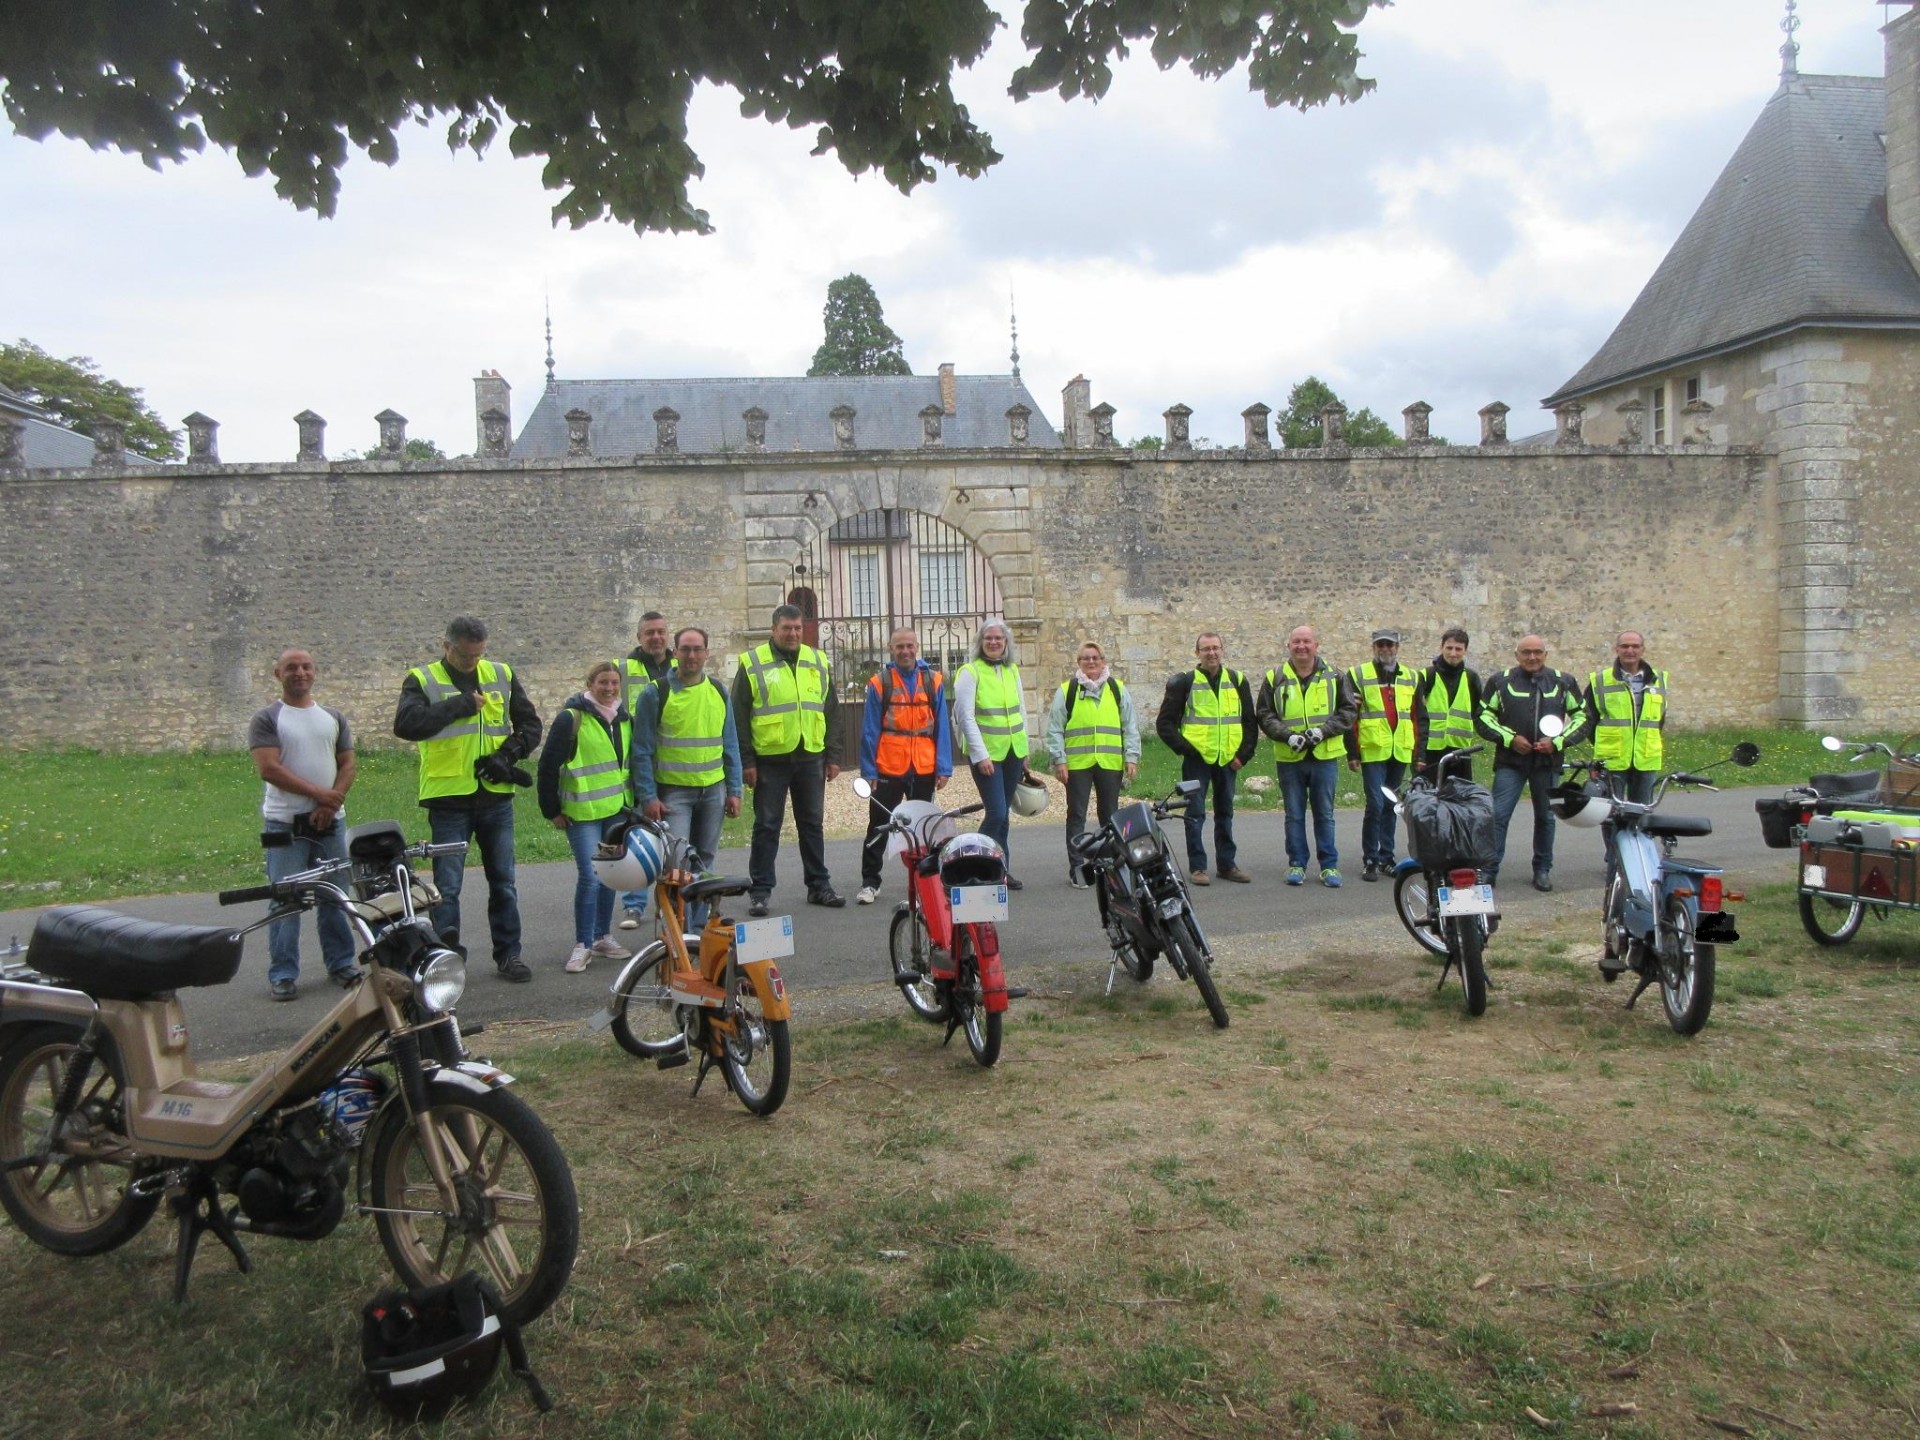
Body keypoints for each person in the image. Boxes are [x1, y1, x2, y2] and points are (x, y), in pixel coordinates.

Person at [393, 616, 543, 982]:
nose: (473, 662)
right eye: (465, 656)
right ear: (447, 647)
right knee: (446, 888)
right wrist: (459, 706)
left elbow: (530, 725)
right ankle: (446, 963)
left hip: (494, 796)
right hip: (448, 798)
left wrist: (507, 755)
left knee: (504, 881)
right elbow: (407, 725)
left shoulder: (501, 673)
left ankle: (509, 955)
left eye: (479, 655)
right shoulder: (422, 678)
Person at [249, 647, 358, 1001]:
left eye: (306, 666)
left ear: (315, 672)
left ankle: (342, 963)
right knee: (285, 899)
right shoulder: (267, 719)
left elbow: (347, 765)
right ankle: (283, 973)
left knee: (336, 896)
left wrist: (331, 801)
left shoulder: (332, 717)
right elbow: (270, 768)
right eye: (291, 667)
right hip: (284, 824)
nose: (300, 673)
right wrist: (321, 796)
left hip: (331, 825)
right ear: (277, 674)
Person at [733, 602, 844, 917]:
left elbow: (831, 711)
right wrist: (747, 762)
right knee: (767, 825)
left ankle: (819, 886)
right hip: (770, 758)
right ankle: (760, 891)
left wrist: (833, 754)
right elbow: (738, 717)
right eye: (787, 628)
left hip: (810, 755)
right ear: (774, 630)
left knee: (812, 824)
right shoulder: (752, 663)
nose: (793, 633)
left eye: (797, 628)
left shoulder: (817, 659)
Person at [631, 626, 744, 929]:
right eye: (686, 649)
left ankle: (695, 932)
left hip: (713, 791)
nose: (692, 655)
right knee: (679, 865)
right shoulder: (656, 693)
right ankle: (676, 932)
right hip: (674, 795)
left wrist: (734, 790)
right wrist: (648, 796)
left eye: (697, 649)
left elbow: (730, 744)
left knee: (704, 862)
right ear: (675, 652)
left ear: (707, 653)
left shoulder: (719, 691)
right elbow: (640, 751)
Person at [537, 661, 634, 974]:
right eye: (602, 683)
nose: (609, 689)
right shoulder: (572, 719)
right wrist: (551, 810)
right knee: (590, 876)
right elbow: (548, 765)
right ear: (590, 684)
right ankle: (583, 943)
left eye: (614, 683)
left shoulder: (623, 718)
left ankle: (603, 936)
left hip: (615, 811)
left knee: (609, 875)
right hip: (581, 813)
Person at [1475, 633, 1587, 892]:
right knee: (1498, 816)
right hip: (1510, 762)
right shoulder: (1500, 681)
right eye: (1526, 652)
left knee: (1546, 818)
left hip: (1547, 763)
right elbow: (1482, 717)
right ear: (1517, 655)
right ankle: (1489, 870)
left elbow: (1582, 718)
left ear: (1545, 655)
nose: (1532, 657)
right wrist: (1510, 738)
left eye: (1537, 652)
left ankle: (1542, 870)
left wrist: (1557, 742)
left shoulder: (1563, 681)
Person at [1255, 625, 1357, 887]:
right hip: (1290, 757)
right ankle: (1297, 864)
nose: (1301, 646)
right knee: (1294, 814)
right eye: (1296, 642)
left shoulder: (1335, 675)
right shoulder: (1275, 677)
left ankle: (1329, 866)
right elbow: (1265, 714)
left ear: (1316, 645)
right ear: (1288, 646)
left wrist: (1322, 732)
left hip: (1324, 756)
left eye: (1307, 642)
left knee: (1325, 814)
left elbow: (1348, 712)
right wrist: (1287, 735)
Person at [856, 628, 952, 904]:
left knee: (922, 828)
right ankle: (870, 883)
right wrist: (869, 771)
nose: (906, 651)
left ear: (917, 647)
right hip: (889, 765)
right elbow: (870, 730)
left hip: (923, 766)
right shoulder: (880, 682)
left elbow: (942, 726)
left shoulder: (933, 680)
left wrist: (943, 767)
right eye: (900, 647)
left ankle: (923, 886)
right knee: (878, 825)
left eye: (910, 646)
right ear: (891, 648)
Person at [1154, 631, 1255, 884]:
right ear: (1196, 653)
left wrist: (1243, 756)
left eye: (1216, 648)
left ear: (1223, 650)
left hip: (1228, 759)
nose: (1212, 653)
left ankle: (1227, 865)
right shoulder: (1185, 682)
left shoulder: (1237, 680)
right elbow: (1165, 724)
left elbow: (1250, 723)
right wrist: (1187, 750)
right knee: (1195, 814)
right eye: (1206, 648)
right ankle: (1198, 868)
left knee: (1225, 813)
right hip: (1197, 761)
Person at [1044, 640, 1140, 888]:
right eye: (1086, 658)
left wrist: (1131, 756)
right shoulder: (1067, 691)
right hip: (1077, 764)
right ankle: (1077, 867)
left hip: (1109, 762)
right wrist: (1059, 760)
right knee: (1076, 815)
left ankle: (1111, 865)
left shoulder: (1117, 689)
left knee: (1110, 816)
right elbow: (1055, 728)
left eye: (1095, 657)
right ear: (1079, 662)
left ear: (1103, 661)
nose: (1091, 662)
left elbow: (1129, 726)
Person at [953, 619, 1033, 888]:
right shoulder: (970, 672)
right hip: (987, 756)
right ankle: (971, 866)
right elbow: (965, 718)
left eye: (999, 638)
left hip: (1012, 751)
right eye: (988, 638)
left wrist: (1024, 750)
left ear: (1006, 642)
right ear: (980, 642)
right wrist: (980, 755)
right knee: (996, 813)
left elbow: (1021, 710)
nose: (994, 642)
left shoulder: (1011, 670)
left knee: (1004, 815)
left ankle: (1001, 870)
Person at [1345, 628, 1421, 883]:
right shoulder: (1359, 675)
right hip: (1373, 748)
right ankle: (1370, 859)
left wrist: (1417, 752)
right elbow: (1350, 716)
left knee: (1391, 805)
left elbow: (1417, 716)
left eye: (1390, 645)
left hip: (1399, 749)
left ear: (1397, 647)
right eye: (1381, 645)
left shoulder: (1411, 676)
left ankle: (1387, 858)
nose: (1385, 649)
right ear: (1373, 648)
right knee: (1375, 804)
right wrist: (1352, 752)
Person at [617, 611, 674, 929]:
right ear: (639, 637)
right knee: (637, 835)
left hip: (675, 762)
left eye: (661, 632)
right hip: (639, 764)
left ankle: (669, 900)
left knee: (672, 837)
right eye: (650, 632)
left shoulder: (681, 667)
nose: (656, 637)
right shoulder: (623, 670)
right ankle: (633, 905)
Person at [1579, 630, 1668, 808]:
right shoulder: (1600, 680)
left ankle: (1637, 837)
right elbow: (1588, 720)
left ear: (1643, 649)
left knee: (1642, 812)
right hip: (1613, 759)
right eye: (1625, 646)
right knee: (1611, 812)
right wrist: (1606, 744)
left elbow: (1659, 719)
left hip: (1646, 758)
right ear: (1616, 649)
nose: (1630, 650)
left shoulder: (1658, 680)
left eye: (1635, 646)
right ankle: (1615, 838)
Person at [1413, 627, 1484, 784]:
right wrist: (1419, 753)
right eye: (1449, 648)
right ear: (1441, 647)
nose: (1453, 653)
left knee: (1459, 800)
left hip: (1461, 749)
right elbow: (1415, 713)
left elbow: (1477, 711)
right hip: (1430, 750)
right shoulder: (1427, 675)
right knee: (1428, 798)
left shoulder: (1471, 678)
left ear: (1465, 650)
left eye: (1458, 649)